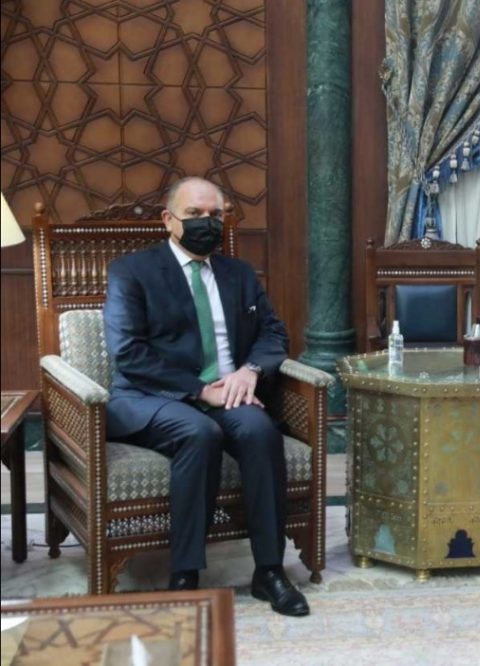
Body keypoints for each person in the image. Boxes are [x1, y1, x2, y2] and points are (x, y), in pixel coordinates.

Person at [103, 177, 309, 617]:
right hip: (153, 396)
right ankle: (185, 573)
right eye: (194, 214)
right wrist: (199, 390)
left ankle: (269, 571)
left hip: (229, 391)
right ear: (168, 220)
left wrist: (250, 372)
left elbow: (273, 333)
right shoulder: (131, 272)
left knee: (260, 431)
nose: (206, 223)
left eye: (215, 215)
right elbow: (128, 353)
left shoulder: (239, 274)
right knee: (199, 432)